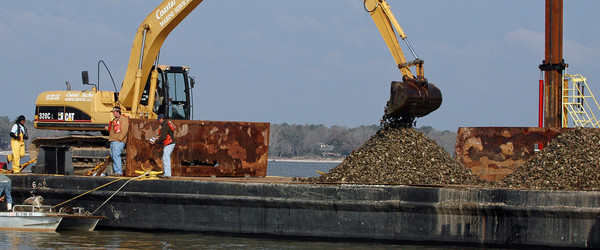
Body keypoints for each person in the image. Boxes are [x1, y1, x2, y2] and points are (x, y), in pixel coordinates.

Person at [105, 107, 129, 176]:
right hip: (113, 140)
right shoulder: (114, 120)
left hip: (118, 141)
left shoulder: (123, 119)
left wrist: (119, 139)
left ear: (117, 112)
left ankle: (118, 172)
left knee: (116, 155)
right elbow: (114, 130)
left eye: (114, 112)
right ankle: (116, 171)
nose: (113, 113)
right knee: (113, 155)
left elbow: (124, 130)